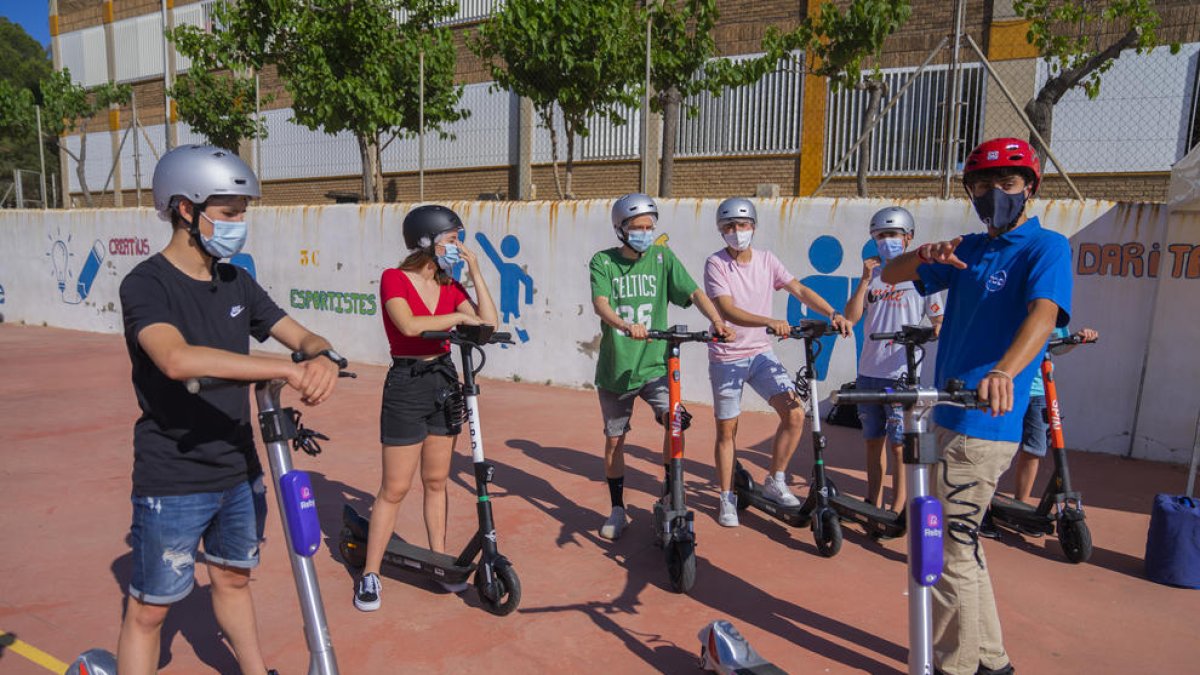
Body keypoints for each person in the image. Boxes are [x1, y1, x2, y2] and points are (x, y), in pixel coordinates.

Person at [118, 144, 342, 675]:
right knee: (150, 610)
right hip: (174, 473)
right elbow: (174, 359)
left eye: (242, 213)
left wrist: (321, 356)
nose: (239, 224)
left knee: (233, 579)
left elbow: (300, 335)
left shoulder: (236, 280)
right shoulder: (146, 284)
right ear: (185, 210)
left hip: (239, 468)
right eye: (228, 213)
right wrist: (283, 369)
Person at [881, 137, 1072, 675]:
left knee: (941, 551)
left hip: (983, 422)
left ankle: (955, 666)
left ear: (1029, 188)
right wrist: (927, 254)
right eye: (983, 185)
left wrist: (1004, 371)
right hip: (946, 415)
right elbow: (890, 275)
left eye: (1007, 184)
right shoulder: (971, 247)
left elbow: (1043, 315)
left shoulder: (1045, 248)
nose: (995, 194)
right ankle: (991, 660)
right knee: (962, 545)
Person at [354, 205, 499, 611]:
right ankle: (371, 573)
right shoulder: (394, 279)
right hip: (406, 383)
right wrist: (456, 317)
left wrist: (475, 273)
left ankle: (440, 561)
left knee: (437, 481)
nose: (458, 247)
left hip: (444, 381)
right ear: (426, 241)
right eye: (453, 240)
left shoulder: (452, 284)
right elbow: (409, 326)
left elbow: (486, 324)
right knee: (395, 487)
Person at [590, 193, 735, 540]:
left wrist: (716, 320)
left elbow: (695, 293)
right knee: (615, 441)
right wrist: (624, 325)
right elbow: (600, 304)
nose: (645, 233)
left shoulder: (661, 257)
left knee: (675, 425)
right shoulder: (604, 262)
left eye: (649, 227)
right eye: (638, 227)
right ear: (621, 228)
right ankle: (617, 509)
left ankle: (672, 493)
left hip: (656, 365)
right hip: (617, 369)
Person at [703, 197, 852, 527]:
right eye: (729, 226)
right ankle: (726, 497)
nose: (737, 232)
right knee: (728, 431)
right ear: (721, 230)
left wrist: (833, 313)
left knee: (795, 413)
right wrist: (769, 321)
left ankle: (775, 479)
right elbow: (727, 309)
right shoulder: (716, 264)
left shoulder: (767, 260)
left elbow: (799, 289)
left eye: (742, 225)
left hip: (760, 354)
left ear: (753, 227)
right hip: (727, 358)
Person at [843, 206, 944, 517]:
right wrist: (863, 280)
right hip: (869, 372)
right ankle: (872, 501)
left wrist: (925, 333)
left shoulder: (922, 278)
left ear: (908, 238)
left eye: (892, 235)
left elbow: (938, 321)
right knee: (873, 441)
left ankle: (897, 507)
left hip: (901, 374)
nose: (886, 241)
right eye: (880, 236)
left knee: (899, 445)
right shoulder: (875, 279)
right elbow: (850, 318)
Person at [979, 325, 1097, 537]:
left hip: (1040, 390)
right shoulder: (1014, 309)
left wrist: (1077, 339)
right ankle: (982, 510)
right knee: (995, 450)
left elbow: (1058, 347)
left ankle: (1021, 508)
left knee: (1034, 449)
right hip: (1009, 388)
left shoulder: (1053, 316)